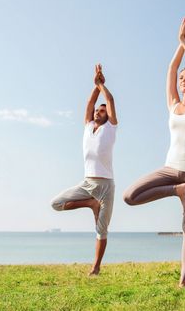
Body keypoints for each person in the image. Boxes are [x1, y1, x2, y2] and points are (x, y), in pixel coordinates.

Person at [123, 17, 185, 287]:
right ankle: (177, 191)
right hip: (171, 169)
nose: (184, 80)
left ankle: (183, 282)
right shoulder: (173, 105)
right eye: (182, 78)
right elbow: (171, 69)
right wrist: (178, 46)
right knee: (130, 196)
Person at [50, 64, 118, 276]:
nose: (98, 112)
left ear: (107, 116)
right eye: (97, 110)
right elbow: (89, 102)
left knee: (101, 230)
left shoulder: (111, 128)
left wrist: (102, 86)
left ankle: (95, 268)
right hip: (87, 183)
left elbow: (111, 101)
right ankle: (90, 203)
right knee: (56, 204)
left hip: (106, 185)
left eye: (102, 111)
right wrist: (95, 87)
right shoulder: (88, 127)